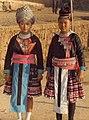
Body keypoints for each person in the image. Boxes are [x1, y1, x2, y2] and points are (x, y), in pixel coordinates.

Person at [44, 6, 86, 120]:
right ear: (58, 23)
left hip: (71, 72)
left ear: (70, 23)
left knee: (71, 97)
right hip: (57, 71)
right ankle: (59, 118)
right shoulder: (55, 38)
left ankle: (71, 118)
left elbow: (81, 54)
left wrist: (82, 70)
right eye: (61, 22)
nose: (63, 25)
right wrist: (48, 70)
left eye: (65, 22)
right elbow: (50, 54)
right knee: (58, 96)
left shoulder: (74, 37)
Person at [3, 6, 44, 120]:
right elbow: (8, 56)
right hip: (16, 69)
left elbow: (40, 56)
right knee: (17, 93)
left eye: (27, 24)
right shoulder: (14, 39)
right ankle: (19, 117)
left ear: (31, 24)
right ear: (18, 24)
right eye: (22, 23)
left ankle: (28, 117)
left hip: (30, 70)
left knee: (29, 95)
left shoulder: (35, 40)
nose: (25, 26)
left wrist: (40, 71)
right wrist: (7, 72)